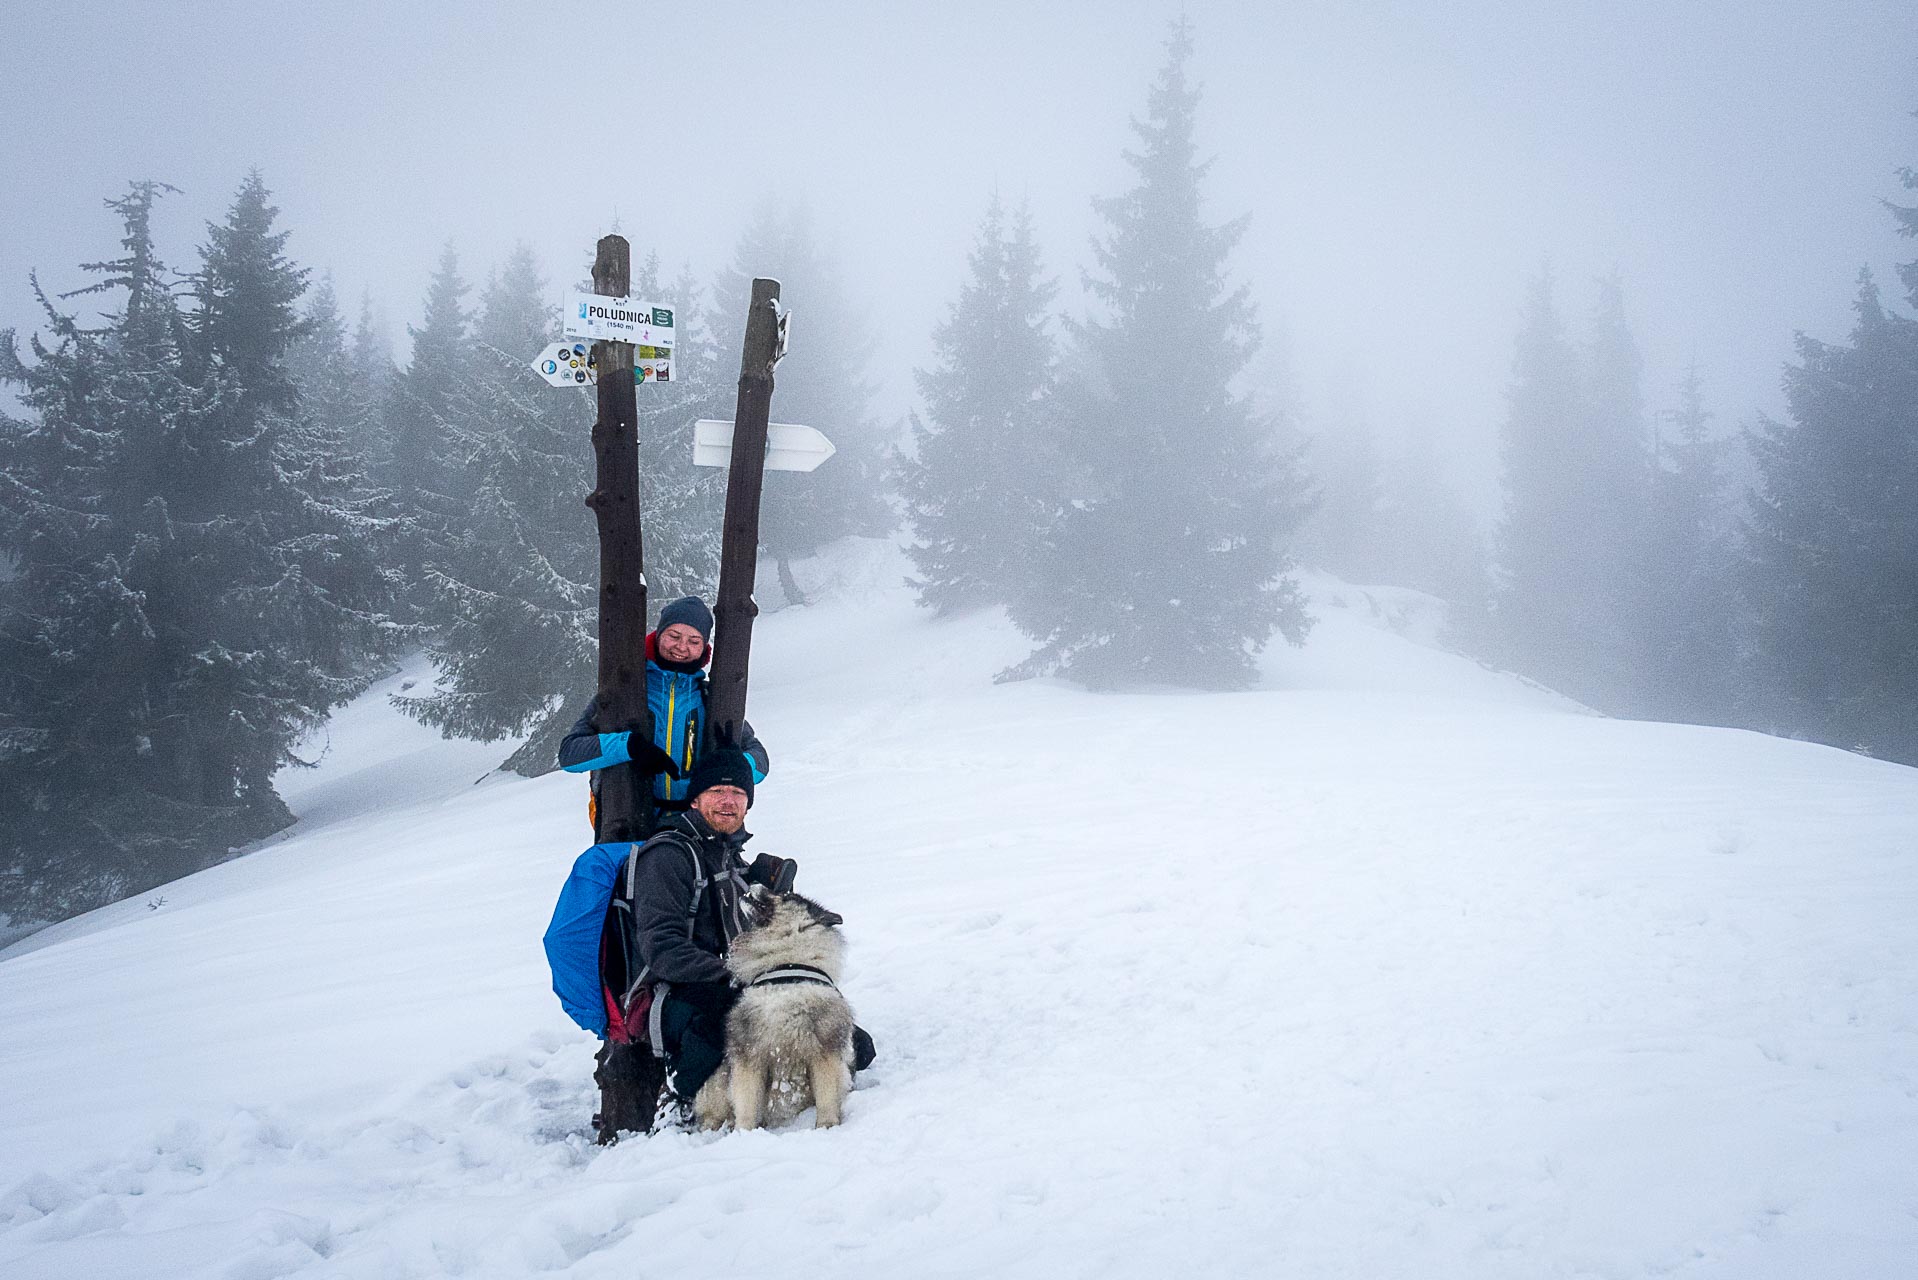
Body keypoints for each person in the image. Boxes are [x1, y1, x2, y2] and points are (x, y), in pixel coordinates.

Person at [543, 751, 761, 1137]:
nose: (728, 800)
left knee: (849, 1044)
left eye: (737, 793)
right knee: (730, 1011)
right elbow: (663, 950)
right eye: (717, 791)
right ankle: (676, 1102)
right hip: (661, 996)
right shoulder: (670, 856)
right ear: (694, 799)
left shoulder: (724, 854)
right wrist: (735, 978)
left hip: (709, 982)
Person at [557, 595, 769, 838]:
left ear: (704, 648)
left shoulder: (711, 699)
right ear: (658, 636)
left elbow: (761, 763)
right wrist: (629, 746)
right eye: (674, 636)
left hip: (697, 828)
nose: (682, 647)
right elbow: (570, 755)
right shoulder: (625, 692)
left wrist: (734, 764)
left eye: (694, 640)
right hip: (626, 823)